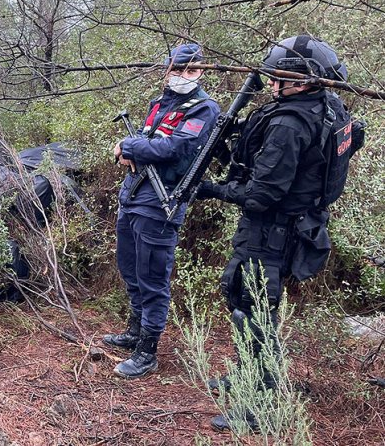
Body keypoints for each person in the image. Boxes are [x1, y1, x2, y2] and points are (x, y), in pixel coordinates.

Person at [195, 35, 355, 430]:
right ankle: (247, 375)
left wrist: (213, 189)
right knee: (251, 305)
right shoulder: (329, 108)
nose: (271, 84)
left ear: (302, 81)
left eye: (279, 77)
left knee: (253, 309)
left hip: (271, 231)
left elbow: (262, 194)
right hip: (294, 226)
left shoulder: (288, 123)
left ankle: (259, 404)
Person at [105, 43, 221, 378]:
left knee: (152, 276)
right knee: (129, 268)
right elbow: (149, 144)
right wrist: (129, 152)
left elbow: (175, 149)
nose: (185, 76)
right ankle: (135, 331)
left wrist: (129, 147)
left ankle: (147, 351)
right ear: (167, 69)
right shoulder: (160, 103)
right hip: (134, 195)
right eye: (179, 69)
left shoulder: (204, 109)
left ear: (200, 72)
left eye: (192, 70)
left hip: (162, 202)